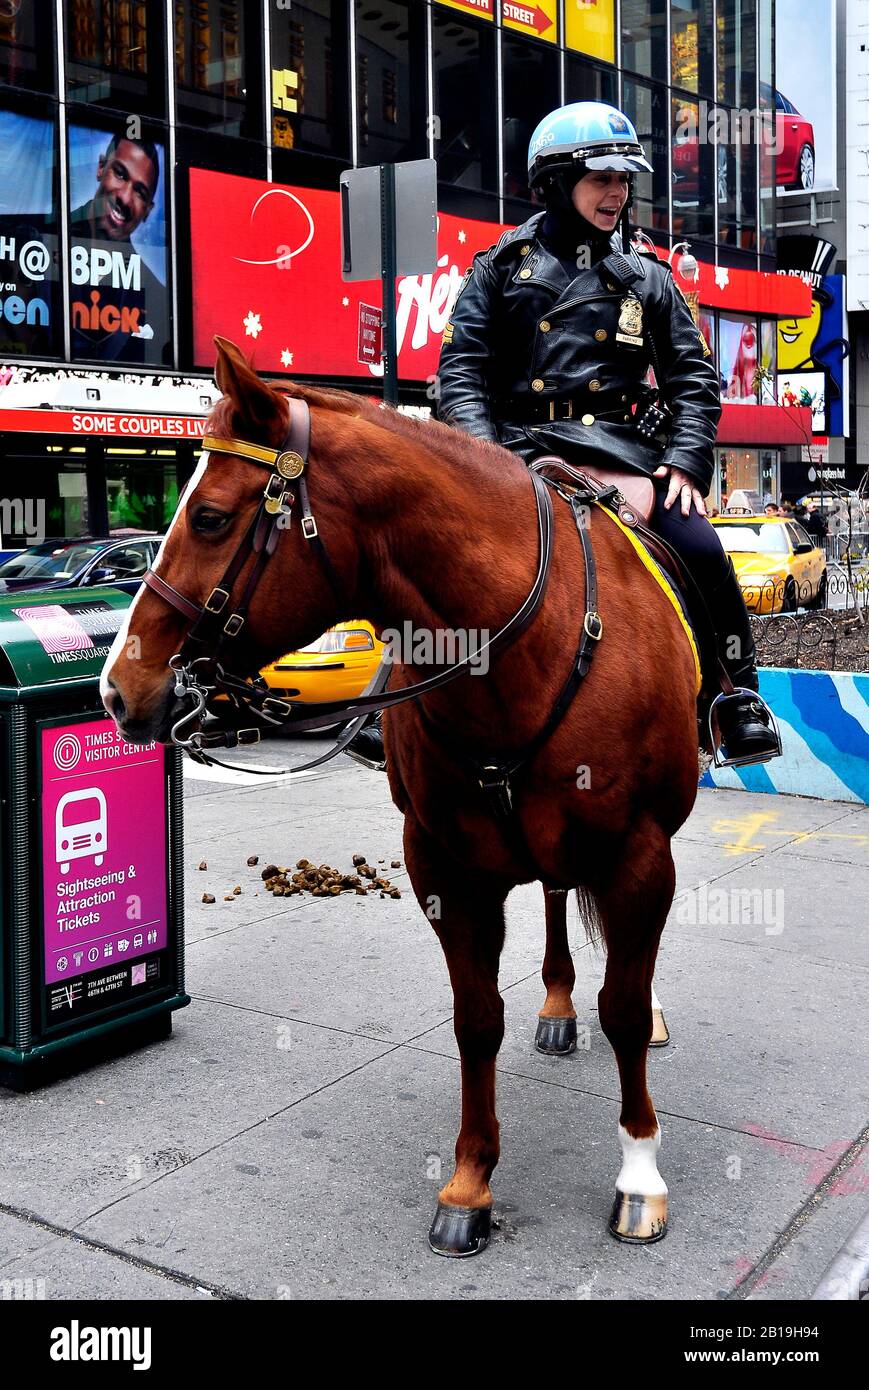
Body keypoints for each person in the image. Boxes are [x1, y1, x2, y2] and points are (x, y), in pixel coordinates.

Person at [431, 100, 780, 767]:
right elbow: (460, 374)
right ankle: (394, 704)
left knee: (700, 548)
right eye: (601, 178)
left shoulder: (648, 278)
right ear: (556, 184)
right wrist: (487, 465)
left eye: (624, 178)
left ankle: (734, 698)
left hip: (625, 453)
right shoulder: (499, 268)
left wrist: (683, 463)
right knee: (424, 547)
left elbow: (694, 381)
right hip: (516, 453)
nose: (617, 191)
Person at [69, 131, 169, 364]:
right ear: (101, 168)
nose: (124, 197)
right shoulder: (29, 238)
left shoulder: (158, 299)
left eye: (140, 192)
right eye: (121, 174)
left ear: (148, 210)